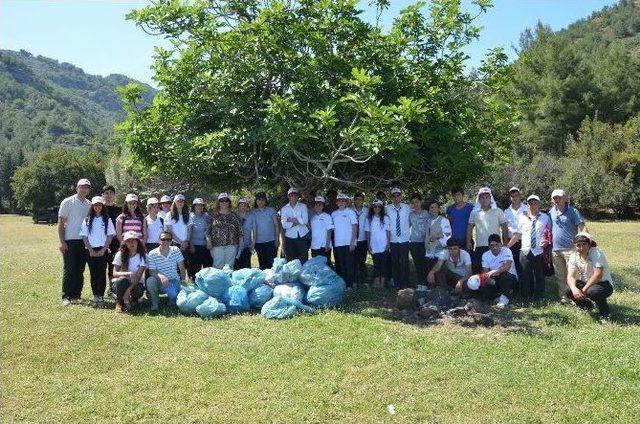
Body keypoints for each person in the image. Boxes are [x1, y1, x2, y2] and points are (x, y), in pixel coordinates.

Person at [510, 195, 551, 302]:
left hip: (539, 251)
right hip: (525, 250)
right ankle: (525, 297)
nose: (533, 205)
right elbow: (518, 234)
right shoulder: (522, 218)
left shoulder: (545, 217)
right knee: (525, 275)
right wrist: (507, 246)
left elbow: (550, 233)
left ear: (539, 204)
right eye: (530, 203)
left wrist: (547, 241)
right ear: (527, 205)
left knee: (539, 275)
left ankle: (539, 297)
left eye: (535, 203)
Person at [58, 178, 92, 305]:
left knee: (80, 269)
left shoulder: (89, 204)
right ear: (77, 188)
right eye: (82, 187)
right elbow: (61, 223)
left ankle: (76, 295)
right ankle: (66, 296)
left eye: (87, 187)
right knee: (69, 268)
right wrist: (62, 242)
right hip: (70, 240)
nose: (84, 189)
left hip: (84, 241)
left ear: (89, 190)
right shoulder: (67, 202)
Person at [549, 189, 587, 304]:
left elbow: (582, 227)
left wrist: (585, 242)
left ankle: (577, 299)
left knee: (573, 276)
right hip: (556, 250)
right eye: (554, 197)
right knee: (560, 276)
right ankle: (564, 299)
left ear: (565, 198)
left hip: (571, 249)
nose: (557, 199)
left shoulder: (573, 211)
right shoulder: (551, 211)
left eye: (559, 197)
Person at [565, 232, 614, 319]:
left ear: (589, 244)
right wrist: (574, 289)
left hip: (604, 284)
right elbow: (570, 276)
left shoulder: (597, 253)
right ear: (575, 246)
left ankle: (605, 313)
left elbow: (598, 275)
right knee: (569, 290)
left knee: (593, 291)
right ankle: (587, 307)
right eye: (578, 245)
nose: (581, 248)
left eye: (584, 244)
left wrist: (584, 289)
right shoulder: (573, 256)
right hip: (587, 284)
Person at [80, 196, 115, 307]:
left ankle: (100, 296)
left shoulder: (107, 219)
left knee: (101, 273)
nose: (97, 207)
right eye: (95, 205)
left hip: (102, 250)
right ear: (92, 206)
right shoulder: (87, 219)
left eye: (99, 204)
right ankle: (95, 295)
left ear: (102, 206)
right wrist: (90, 249)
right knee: (93, 273)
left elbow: (110, 236)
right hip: (90, 251)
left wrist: (104, 249)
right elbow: (84, 236)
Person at [467, 187, 509, 273]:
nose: (484, 199)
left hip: (495, 246)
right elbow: (470, 227)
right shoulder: (474, 212)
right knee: (479, 269)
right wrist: (468, 241)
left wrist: (505, 242)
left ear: (490, 198)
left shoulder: (498, 211)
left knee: (496, 269)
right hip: (480, 246)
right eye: (482, 197)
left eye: (487, 197)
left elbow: (504, 227)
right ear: (479, 199)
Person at [146, 230, 187, 313]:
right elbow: (152, 272)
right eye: (163, 239)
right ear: (159, 240)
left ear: (171, 241)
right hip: (159, 282)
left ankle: (171, 300)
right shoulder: (152, 253)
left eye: (168, 239)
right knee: (150, 280)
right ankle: (155, 302)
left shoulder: (176, 250)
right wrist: (161, 276)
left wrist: (183, 281)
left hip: (173, 281)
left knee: (173, 298)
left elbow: (182, 267)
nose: (165, 241)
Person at [111, 230, 147, 313]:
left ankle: (132, 300)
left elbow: (138, 277)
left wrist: (128, 291)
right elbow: (115, 273)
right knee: (122, 280)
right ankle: (119, 303)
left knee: (138, 290)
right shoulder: (120, 254)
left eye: (134, 240)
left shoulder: (142, 256)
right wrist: (129, 273)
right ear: (125, 243)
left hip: (135, 283)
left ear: (138, 242)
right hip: (121, 283)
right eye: (128, 241)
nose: (131, 243)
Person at [479, 234, 518, 307]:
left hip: (509, 277)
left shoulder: (507, 250)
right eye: (492, 245)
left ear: (501, 244)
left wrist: (492, 272)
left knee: (505, 275)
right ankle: (499, 296)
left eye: (497, 244)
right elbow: (485, 272)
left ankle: (504, 298)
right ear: (489, 246)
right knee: (483, 285)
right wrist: (488, 279)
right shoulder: (485, 255)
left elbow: (507, 267)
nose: (495, 247)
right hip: (495, 278)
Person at [207, 193, 243, 269]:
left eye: (226, 200)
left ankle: (228, 281)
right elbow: (207, 231)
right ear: (218, 203)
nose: (224, 202)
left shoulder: (234, 216)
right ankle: (217, 281)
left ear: (229, 202)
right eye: (221, 201)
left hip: (231, 245)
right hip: (216, 246)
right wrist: (208, 241)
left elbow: (240, 231)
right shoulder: (213, 216)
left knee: (229, 267)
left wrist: (241, 244)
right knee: (217, 266)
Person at [386, 187, 411, 288]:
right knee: (395, 261)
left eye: (398, 195)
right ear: (391, 197)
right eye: (394, 196)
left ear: (401, 196)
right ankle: (397, 282)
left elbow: (411, 220)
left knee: (404, 261)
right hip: (393, 239)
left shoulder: (407, 207)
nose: (396, 197)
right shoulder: (387, 208)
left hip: (404, 238)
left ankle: (405, 282)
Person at [331, 193, 358, 287]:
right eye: (339, 200)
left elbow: (355, 227)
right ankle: (344, 284)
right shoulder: (334, 214)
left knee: (349, 264)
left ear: (346, 202)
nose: (341, 202)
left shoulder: (350, 212)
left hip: (348, 243)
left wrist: (353, 242)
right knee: (341, 265)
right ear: (337, 203)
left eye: (343, 200)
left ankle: (350, 284)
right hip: (338, 243)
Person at [365, 199, 391, 289]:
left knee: (383, 264)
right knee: (376, 263)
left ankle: (382, 283)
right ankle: (376, 281)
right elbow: (367, 233)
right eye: (375, 206)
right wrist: (368, 245)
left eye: (379, 206)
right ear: (372, 207)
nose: (377, 208)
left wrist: (388, 243)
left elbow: (388, 232)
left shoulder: (385, 218)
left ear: (382, 208)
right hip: (374, 245)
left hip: (384, 244)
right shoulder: (369, 219)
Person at [280, 187, 309, 263]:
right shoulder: (284, 209)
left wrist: (291, 220)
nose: (293, 197)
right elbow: (284, 225)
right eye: (291, 195)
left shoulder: (303, 206)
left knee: (303, 258)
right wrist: (299, 220)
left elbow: (305, 221)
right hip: (290, 237)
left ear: (297, 196)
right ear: (288, 196)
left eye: (295, 195)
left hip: (302, 236)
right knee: (291, 259)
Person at [252, 192, 280, 269]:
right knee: (262, 265)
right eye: (258, 200)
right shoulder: (253, 212)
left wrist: (277, 239)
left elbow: (276, 225)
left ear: (265, 201)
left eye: (262, 200)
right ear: (256, 201)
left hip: (271, 241)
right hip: (259, 243)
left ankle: (272, 280)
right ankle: (265, 281)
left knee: (272, 265)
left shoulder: (271, 210)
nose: (260, 202)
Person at [504, 187, 528, 275]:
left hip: (524, 241)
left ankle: (526, 287)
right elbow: (505, 229)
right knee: (514, 265)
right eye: (512, 196)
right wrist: (506, 242)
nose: (514, 198)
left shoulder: (527, 208)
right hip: (511, 242)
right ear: (510, 198)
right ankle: (516, 287)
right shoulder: (506, 212)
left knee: (524, 265)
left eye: (516, 195)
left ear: (520, 196)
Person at [165, 194, 192, 272]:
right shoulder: (169, 215)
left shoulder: (188, 215)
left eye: (182, 201)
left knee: (184, 265)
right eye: (178, 201)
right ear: (174, 203)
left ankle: (184, 282)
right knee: (175, 265)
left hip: (186, 244)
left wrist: (186, 241)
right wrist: (180, 243)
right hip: (175, 243)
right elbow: (170, 231)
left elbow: (189, 230)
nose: (180, 203)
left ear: (184, 203)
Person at [424, 200, 452, 275]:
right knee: (430, 272)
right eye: (431, 208)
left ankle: (441, 286)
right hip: (429, 251)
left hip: (440, 251)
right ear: (429, 210)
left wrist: (437, 237)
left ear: (438, 209)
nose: (433, 209)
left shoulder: (444, 220)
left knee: (439, 273)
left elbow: (448, 235)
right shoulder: (428, 221)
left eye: (435, 207)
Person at [409, 194, 429, 294]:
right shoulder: (410, 214)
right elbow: (406, 226)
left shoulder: (427, 213)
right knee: (417, 263)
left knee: (424, 263)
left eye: (417, 202)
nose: (415, 204)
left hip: (424, 242)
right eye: (413, 202)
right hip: (413, 242)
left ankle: (425, 283)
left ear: (421, 202)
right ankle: (420, 283)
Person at [102, 185, 121, 280]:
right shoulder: (99, 209)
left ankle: (112, 288)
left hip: (115, 241)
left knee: (113, 265)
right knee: (101, 266)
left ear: (114, 195)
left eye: (111, 193)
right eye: (106, 193)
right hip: (101, 241)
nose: (109, 195)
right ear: (103, 195)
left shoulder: (119, 210)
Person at [189, 198, 213, 277]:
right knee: (195, 269)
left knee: (208, 268)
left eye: (201, 205)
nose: (199, 206)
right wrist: (191, 245)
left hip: (206, 246)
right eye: (197, 205)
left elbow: (208, 230)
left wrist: (209, 241)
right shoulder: (190, 216)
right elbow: (189, 232)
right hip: (194, 246)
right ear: (194, 206)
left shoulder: (206, 216)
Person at [310, 195, 334, 263]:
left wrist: (327, 244)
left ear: (323, 206)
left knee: (326, 266)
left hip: (324, 246)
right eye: (316, 204)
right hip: (314, 246)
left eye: (320, 204)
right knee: (316, 266)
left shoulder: (327, 216)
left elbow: (329, 230)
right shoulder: (312, 218)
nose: (318, 206)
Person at [352, 192, 368, 285]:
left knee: (362, 261)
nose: (359, 201)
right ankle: (354, 280)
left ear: (363, 201)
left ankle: (364, 279)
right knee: (353, 261)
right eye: (357, 199)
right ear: (354, 200)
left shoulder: (367, 211)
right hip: (353, 240)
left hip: (363, 240)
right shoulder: (349, 210)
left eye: (361, 199)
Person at [235, 197, 254, 269]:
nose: (243, 206)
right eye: (241, 204)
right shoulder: (233, 215)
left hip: (247, 245)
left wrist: (253, 243)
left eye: (245, 205)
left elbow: (254, 230)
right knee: (236, 267)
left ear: (247, 206)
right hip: (235, 246)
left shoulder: (251, 216)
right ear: (238, 206)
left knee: (246, 267)